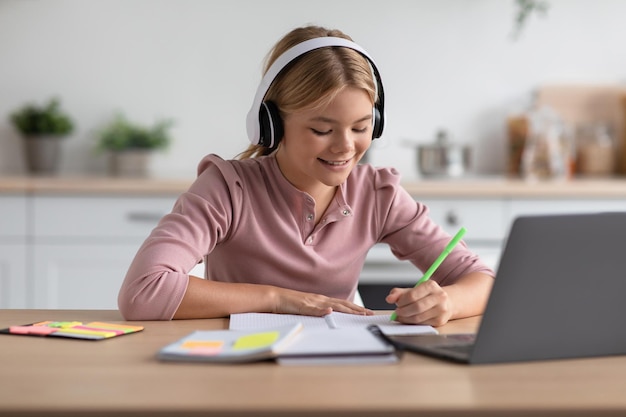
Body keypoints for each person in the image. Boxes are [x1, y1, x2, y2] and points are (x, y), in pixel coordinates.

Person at [118, 25, 494, 325]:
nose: (345, 147)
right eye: (322, 130)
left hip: (336, 372)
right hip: (239, 369)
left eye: (361, 127)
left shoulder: (378, 194)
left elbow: (484, 281)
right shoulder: (227, 187)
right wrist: (277, 299)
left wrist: (446, 301)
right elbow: (143, 289)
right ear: (272, 125)